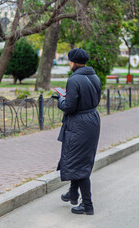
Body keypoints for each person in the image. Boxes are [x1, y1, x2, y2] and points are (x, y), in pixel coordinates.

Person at [53, 48, 101, 215]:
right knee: (79, 159)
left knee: (79, 164)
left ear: (73, 62)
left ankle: (87, 205)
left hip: (79, 124)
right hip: (92, 120)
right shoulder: (94, 76)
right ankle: (73, 194)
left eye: (69, 60)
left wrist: (60, 99)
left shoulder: (74, 79)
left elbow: (69, 106)